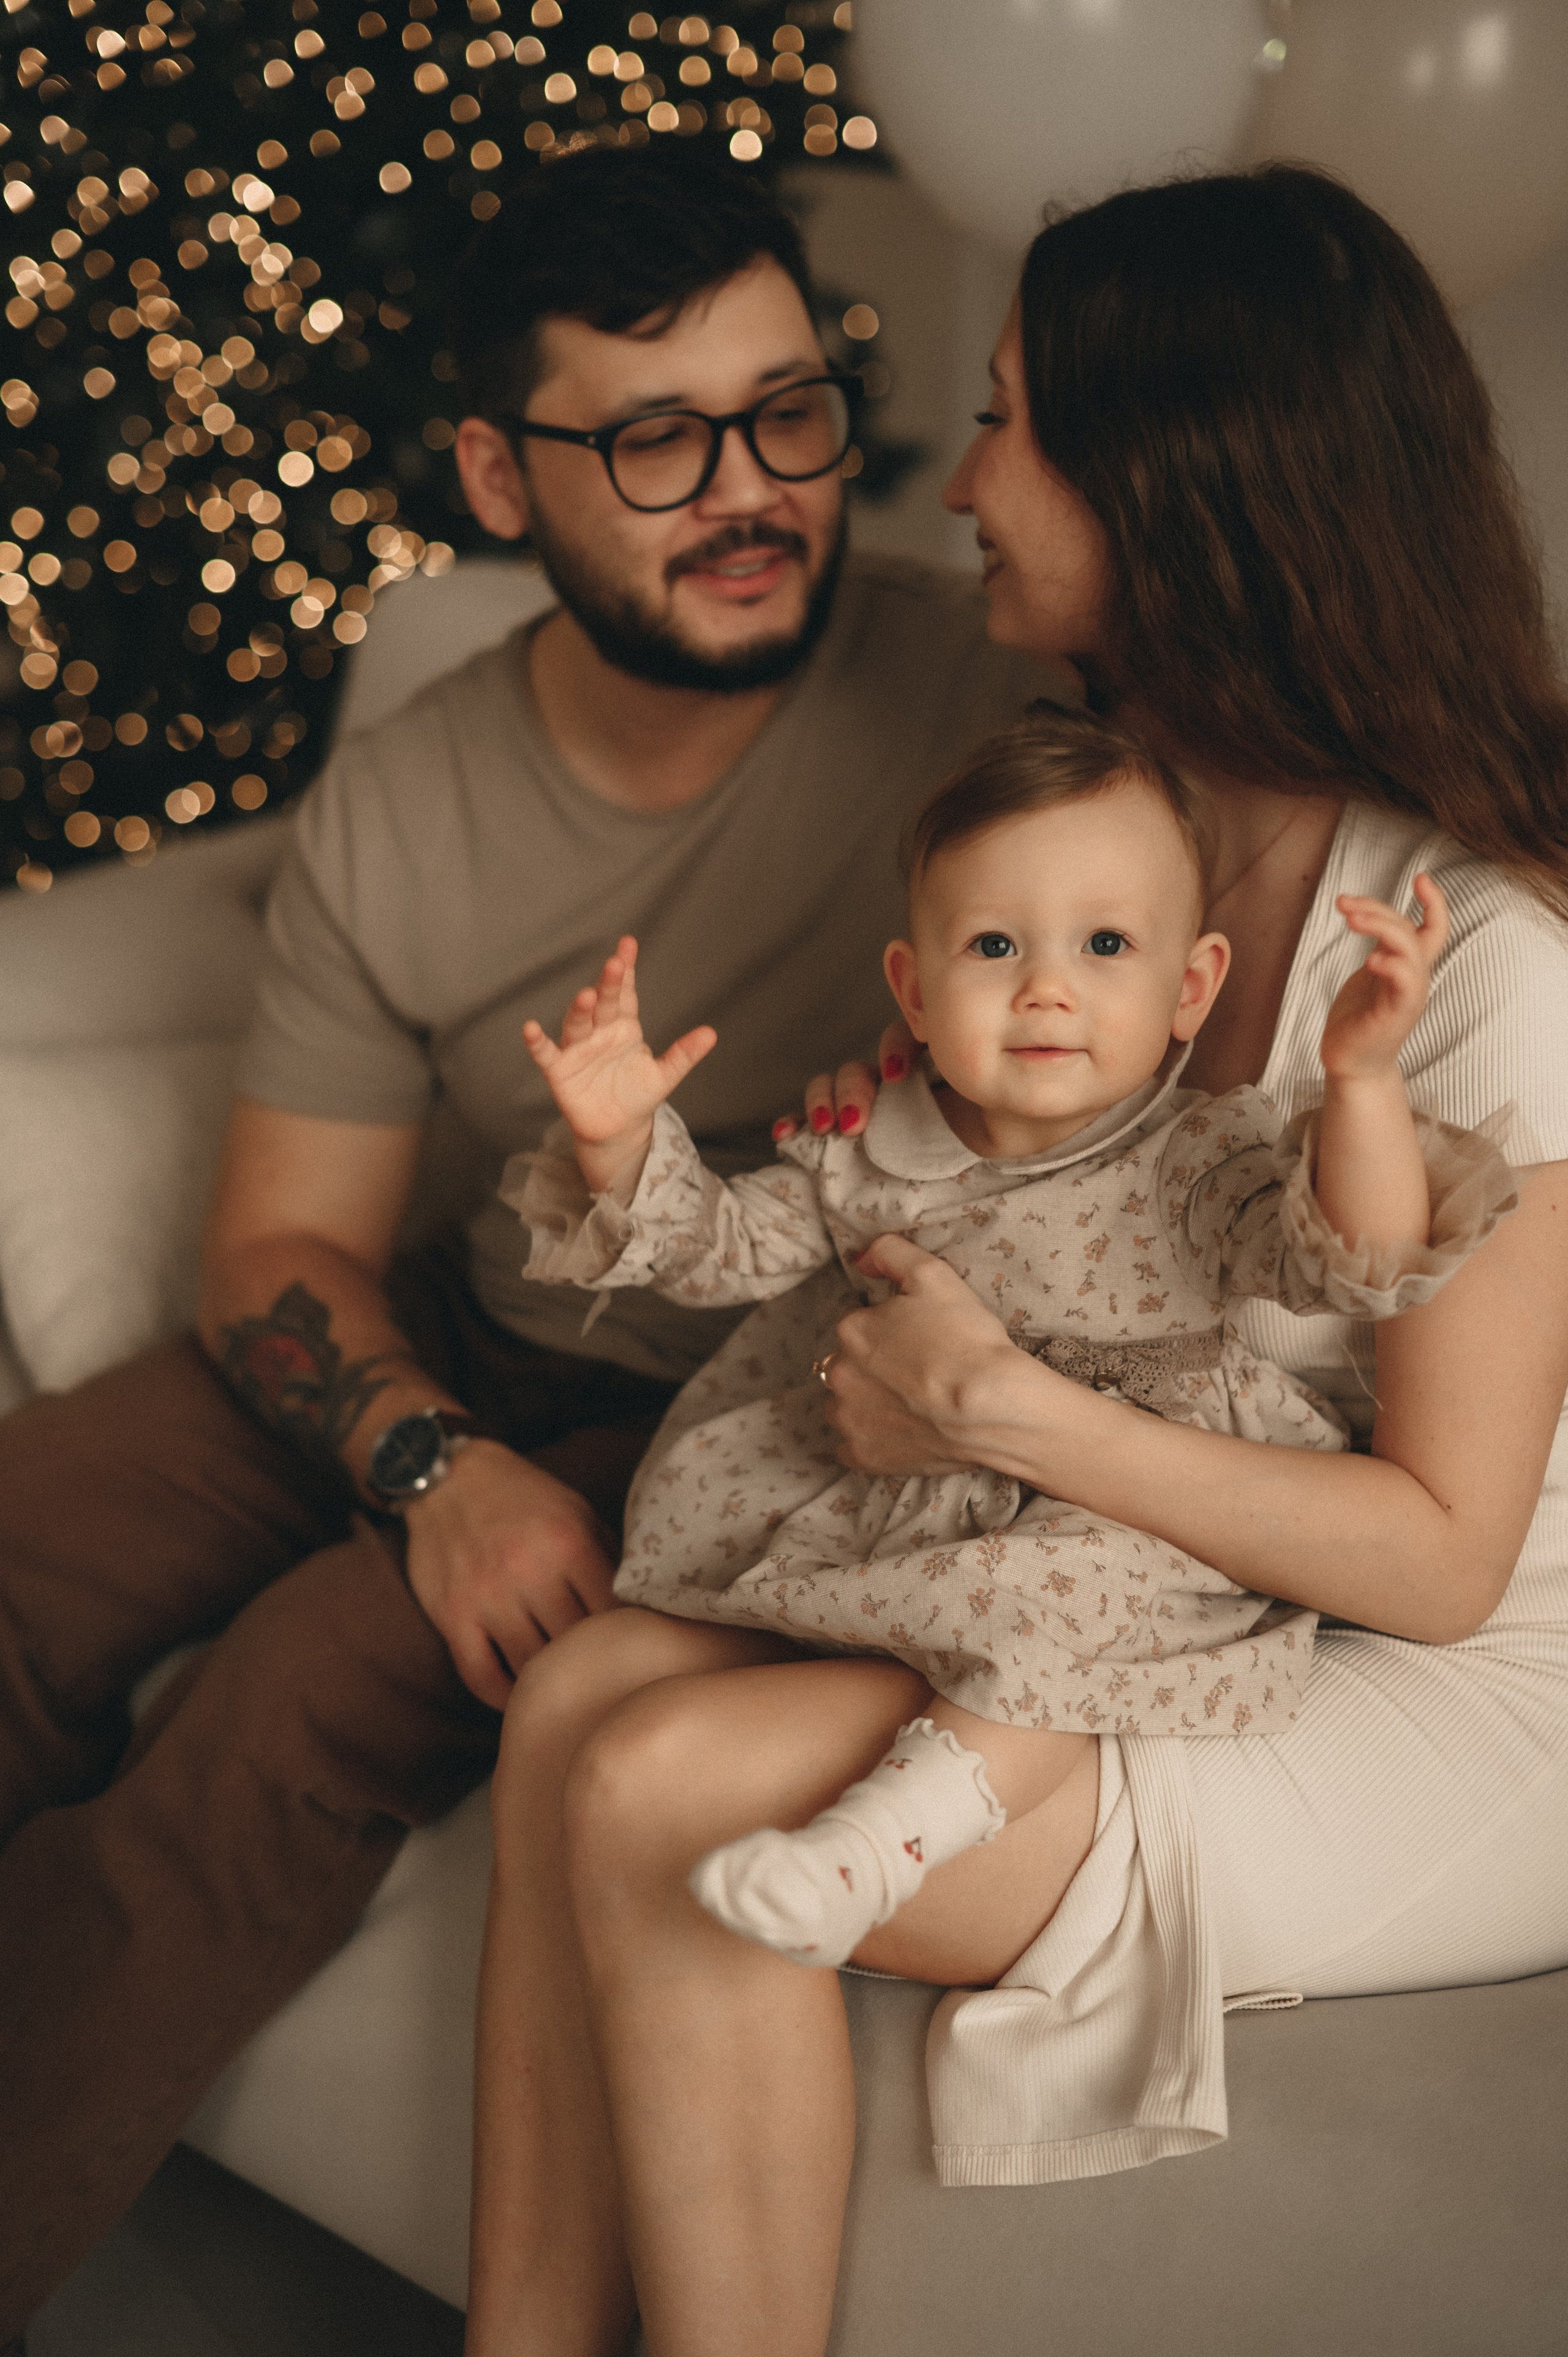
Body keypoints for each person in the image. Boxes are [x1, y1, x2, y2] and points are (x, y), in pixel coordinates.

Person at [465, 164, 1568, 2357]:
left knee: (669, 1784)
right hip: (1153, 1583)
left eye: (1005, 419)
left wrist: (999, 1406)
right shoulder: (1102, 854)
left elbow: (1445, 1561)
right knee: (584, 1684)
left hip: (1461, 1695)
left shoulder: (1479, 966)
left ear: (1173, 474)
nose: (958, 478)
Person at [0, 145, 1054, 2343]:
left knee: (285, 1703)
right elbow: (284, 1237)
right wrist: (424, 1465)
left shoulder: (984, 707)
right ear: (500, 470)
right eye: (655, 439)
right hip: (457, 1337)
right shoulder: (412, 800)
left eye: (788, 411)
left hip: (735, 1410)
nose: (751, 488)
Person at [507, 701, 1514, 1972]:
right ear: (914, 991)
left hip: (1108, 1516)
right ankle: (849, 1771)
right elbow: (716, 1250)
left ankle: (878, 1846)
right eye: (993, 945)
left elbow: (1349, 1262)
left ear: (1187, 986)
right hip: (901, 1499)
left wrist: (1363, 1080)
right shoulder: (868, 1147)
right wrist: (615, 1139)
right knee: (632, 1665)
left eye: (1104, 944)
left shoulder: (1199, 1160)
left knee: (1073, 1612)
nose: (1046, 987)